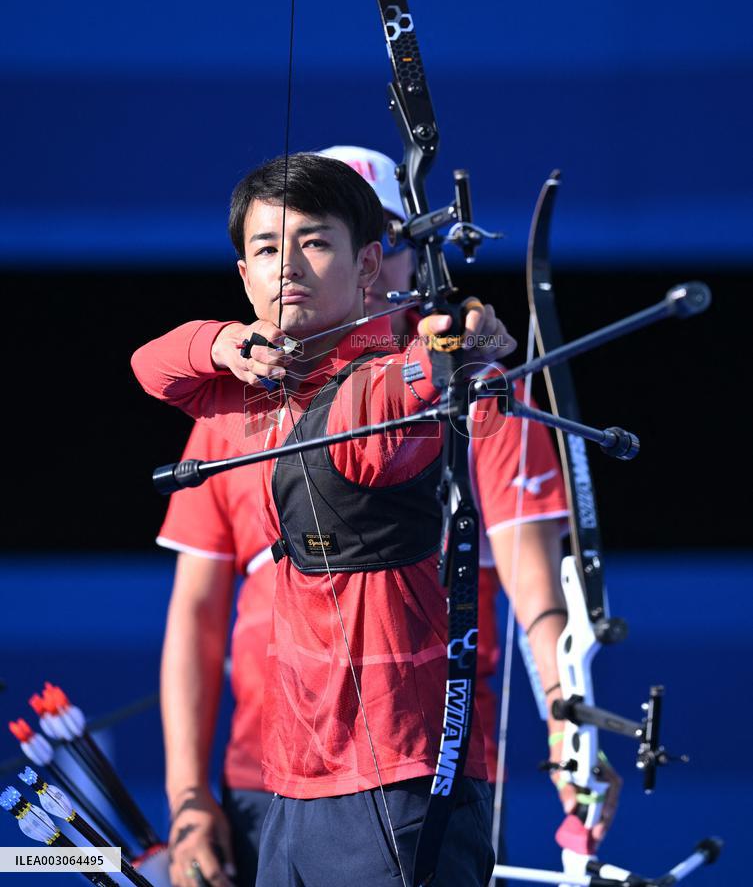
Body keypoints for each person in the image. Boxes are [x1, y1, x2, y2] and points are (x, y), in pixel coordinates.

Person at [133, 151, 618, 887]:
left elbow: (532, 581)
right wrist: (188, 799)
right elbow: (195, 612)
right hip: (274, 769)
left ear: (386, 256)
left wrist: (566, 723)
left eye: (325, 241)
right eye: (270, 247)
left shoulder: (439, 389)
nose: (291, 266)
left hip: (405, 761)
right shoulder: (244, 389)